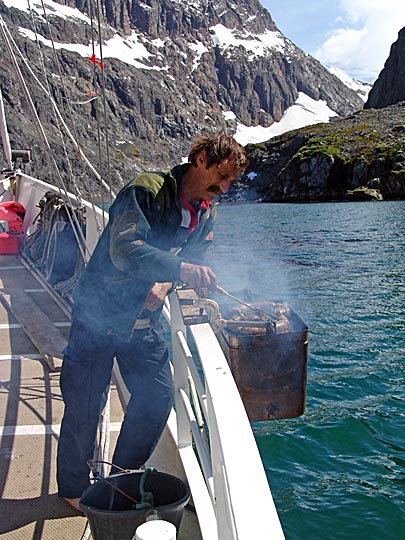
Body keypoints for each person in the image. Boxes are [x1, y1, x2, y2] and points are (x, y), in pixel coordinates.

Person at [56, 131, 248, 511]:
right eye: (221, 176)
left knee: (157, 398)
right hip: (99, 314)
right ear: (201, 159)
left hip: (142, 322)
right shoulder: (145, 189)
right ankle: (74, 490)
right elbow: (124, 248)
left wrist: (165, 281)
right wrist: (178, 268)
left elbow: (196, 255)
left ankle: (121, 477)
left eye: (230, 182)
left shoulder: (205, 211)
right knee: (84, 403)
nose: (224, 188)